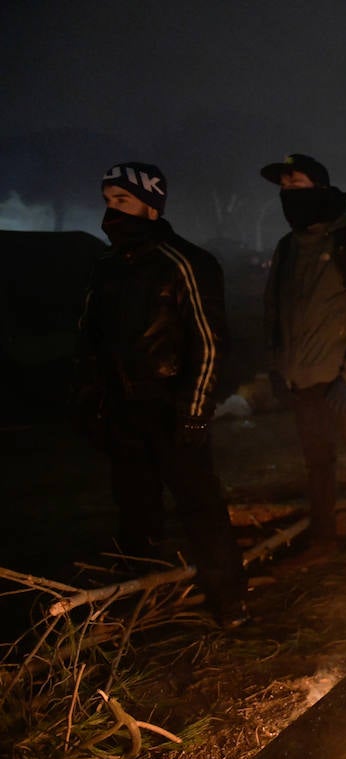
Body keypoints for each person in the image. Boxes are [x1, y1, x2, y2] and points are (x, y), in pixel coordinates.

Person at [75, 162, 246, 626]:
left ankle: (230, 602)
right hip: (122, 411)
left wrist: (194, 412)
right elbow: (90, 339)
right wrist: (95, 401)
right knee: (134, 509)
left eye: (123, 202)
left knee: (200, 507)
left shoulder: (185, 262)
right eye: (109, 202)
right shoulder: (105, 268)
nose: (112, 212)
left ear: (151, 207)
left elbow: (209, 342)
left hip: (171, 408)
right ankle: (140, 599)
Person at [260, 153, 346, 564]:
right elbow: (275, 312)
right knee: (317, 466)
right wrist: (277, 367)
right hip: (303, 382)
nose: (288, 195)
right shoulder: (287, 249)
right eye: (284, 189)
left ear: (321, 189)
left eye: (297, 186)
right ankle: (324, 541)